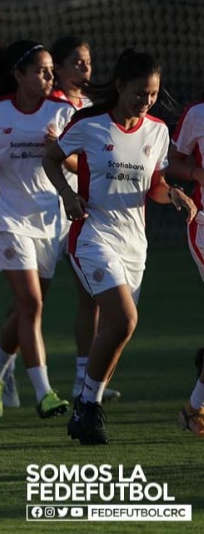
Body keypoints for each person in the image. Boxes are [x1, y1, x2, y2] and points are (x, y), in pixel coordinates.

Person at [43, 49, 195, 445]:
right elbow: (51, 158)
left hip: (134, 245)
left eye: (152, 94)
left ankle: (85, 406)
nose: (145, 101)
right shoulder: (89, 123)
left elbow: (155, 187)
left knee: (117, 331)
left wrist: (174, 195)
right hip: (93, 237)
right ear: (120, 86)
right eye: (140, 92)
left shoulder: (158, 131)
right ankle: (89, 406)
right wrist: (66, 195)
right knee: (125, 320)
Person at [0, 40, 76, 420]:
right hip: (8, 218)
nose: (50, 77)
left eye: (51, 71)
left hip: (50, 220)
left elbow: (80, 163)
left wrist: (62, 150)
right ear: (19, 75)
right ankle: (44, 393)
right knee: (31, 304)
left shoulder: (64, 111)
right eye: (41, 71)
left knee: (26, 309)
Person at [49, 37, 122, 403]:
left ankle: (85, 378)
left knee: (91, 297)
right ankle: (0, 369)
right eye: (76, 62)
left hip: (85, 212)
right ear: (57, 69)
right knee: (29, 303)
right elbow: (55, 156)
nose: (85, 69)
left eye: (88, 62)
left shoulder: (94, 107)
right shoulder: (52, 108)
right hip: (50, 211)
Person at [166, 91, 204, 436]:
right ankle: (193, 410)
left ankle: (193, 408)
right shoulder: (197, 114)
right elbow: (172, 162)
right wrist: (196, 172)